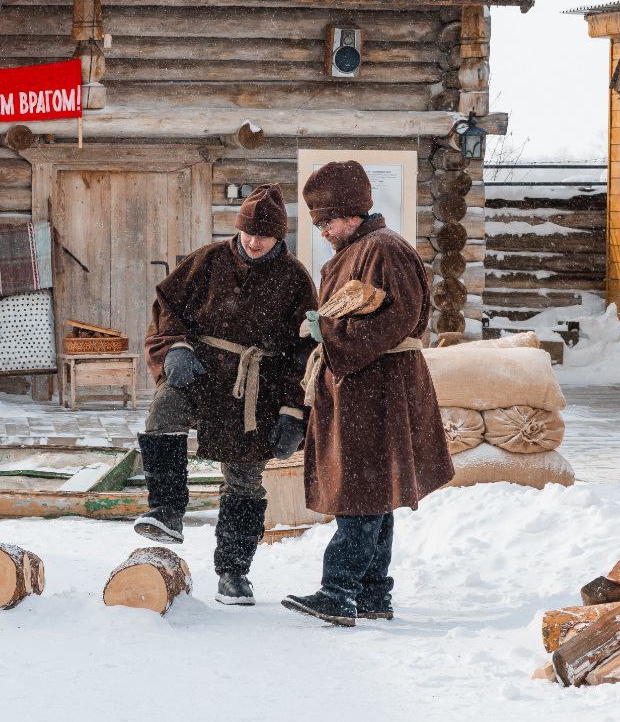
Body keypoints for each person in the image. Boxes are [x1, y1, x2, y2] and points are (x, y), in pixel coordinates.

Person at [282, 160, 454, 627]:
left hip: (376, 391)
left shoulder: (383, 250)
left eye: (327, 221)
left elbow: (399, 319)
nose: (322, 231)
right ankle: (375, 594)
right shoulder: (364, 249)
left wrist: (331, 333)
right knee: (373, 491)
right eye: (317, 223)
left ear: (352, 213)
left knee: (359, 490)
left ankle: (339, 592)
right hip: (362, 388)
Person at [137, 183, 318, 606]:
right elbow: (167, 305)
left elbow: (304, 350)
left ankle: (234, 572)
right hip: (201, 370)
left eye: (264, 236)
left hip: (260, 387)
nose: (254, 243)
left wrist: (294, 410)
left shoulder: (294, 278)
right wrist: (174, 348)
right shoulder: (208, 260)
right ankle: (166, 510)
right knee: (163, 412)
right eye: (248, 233)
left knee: (245, 479)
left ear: (280, 237)